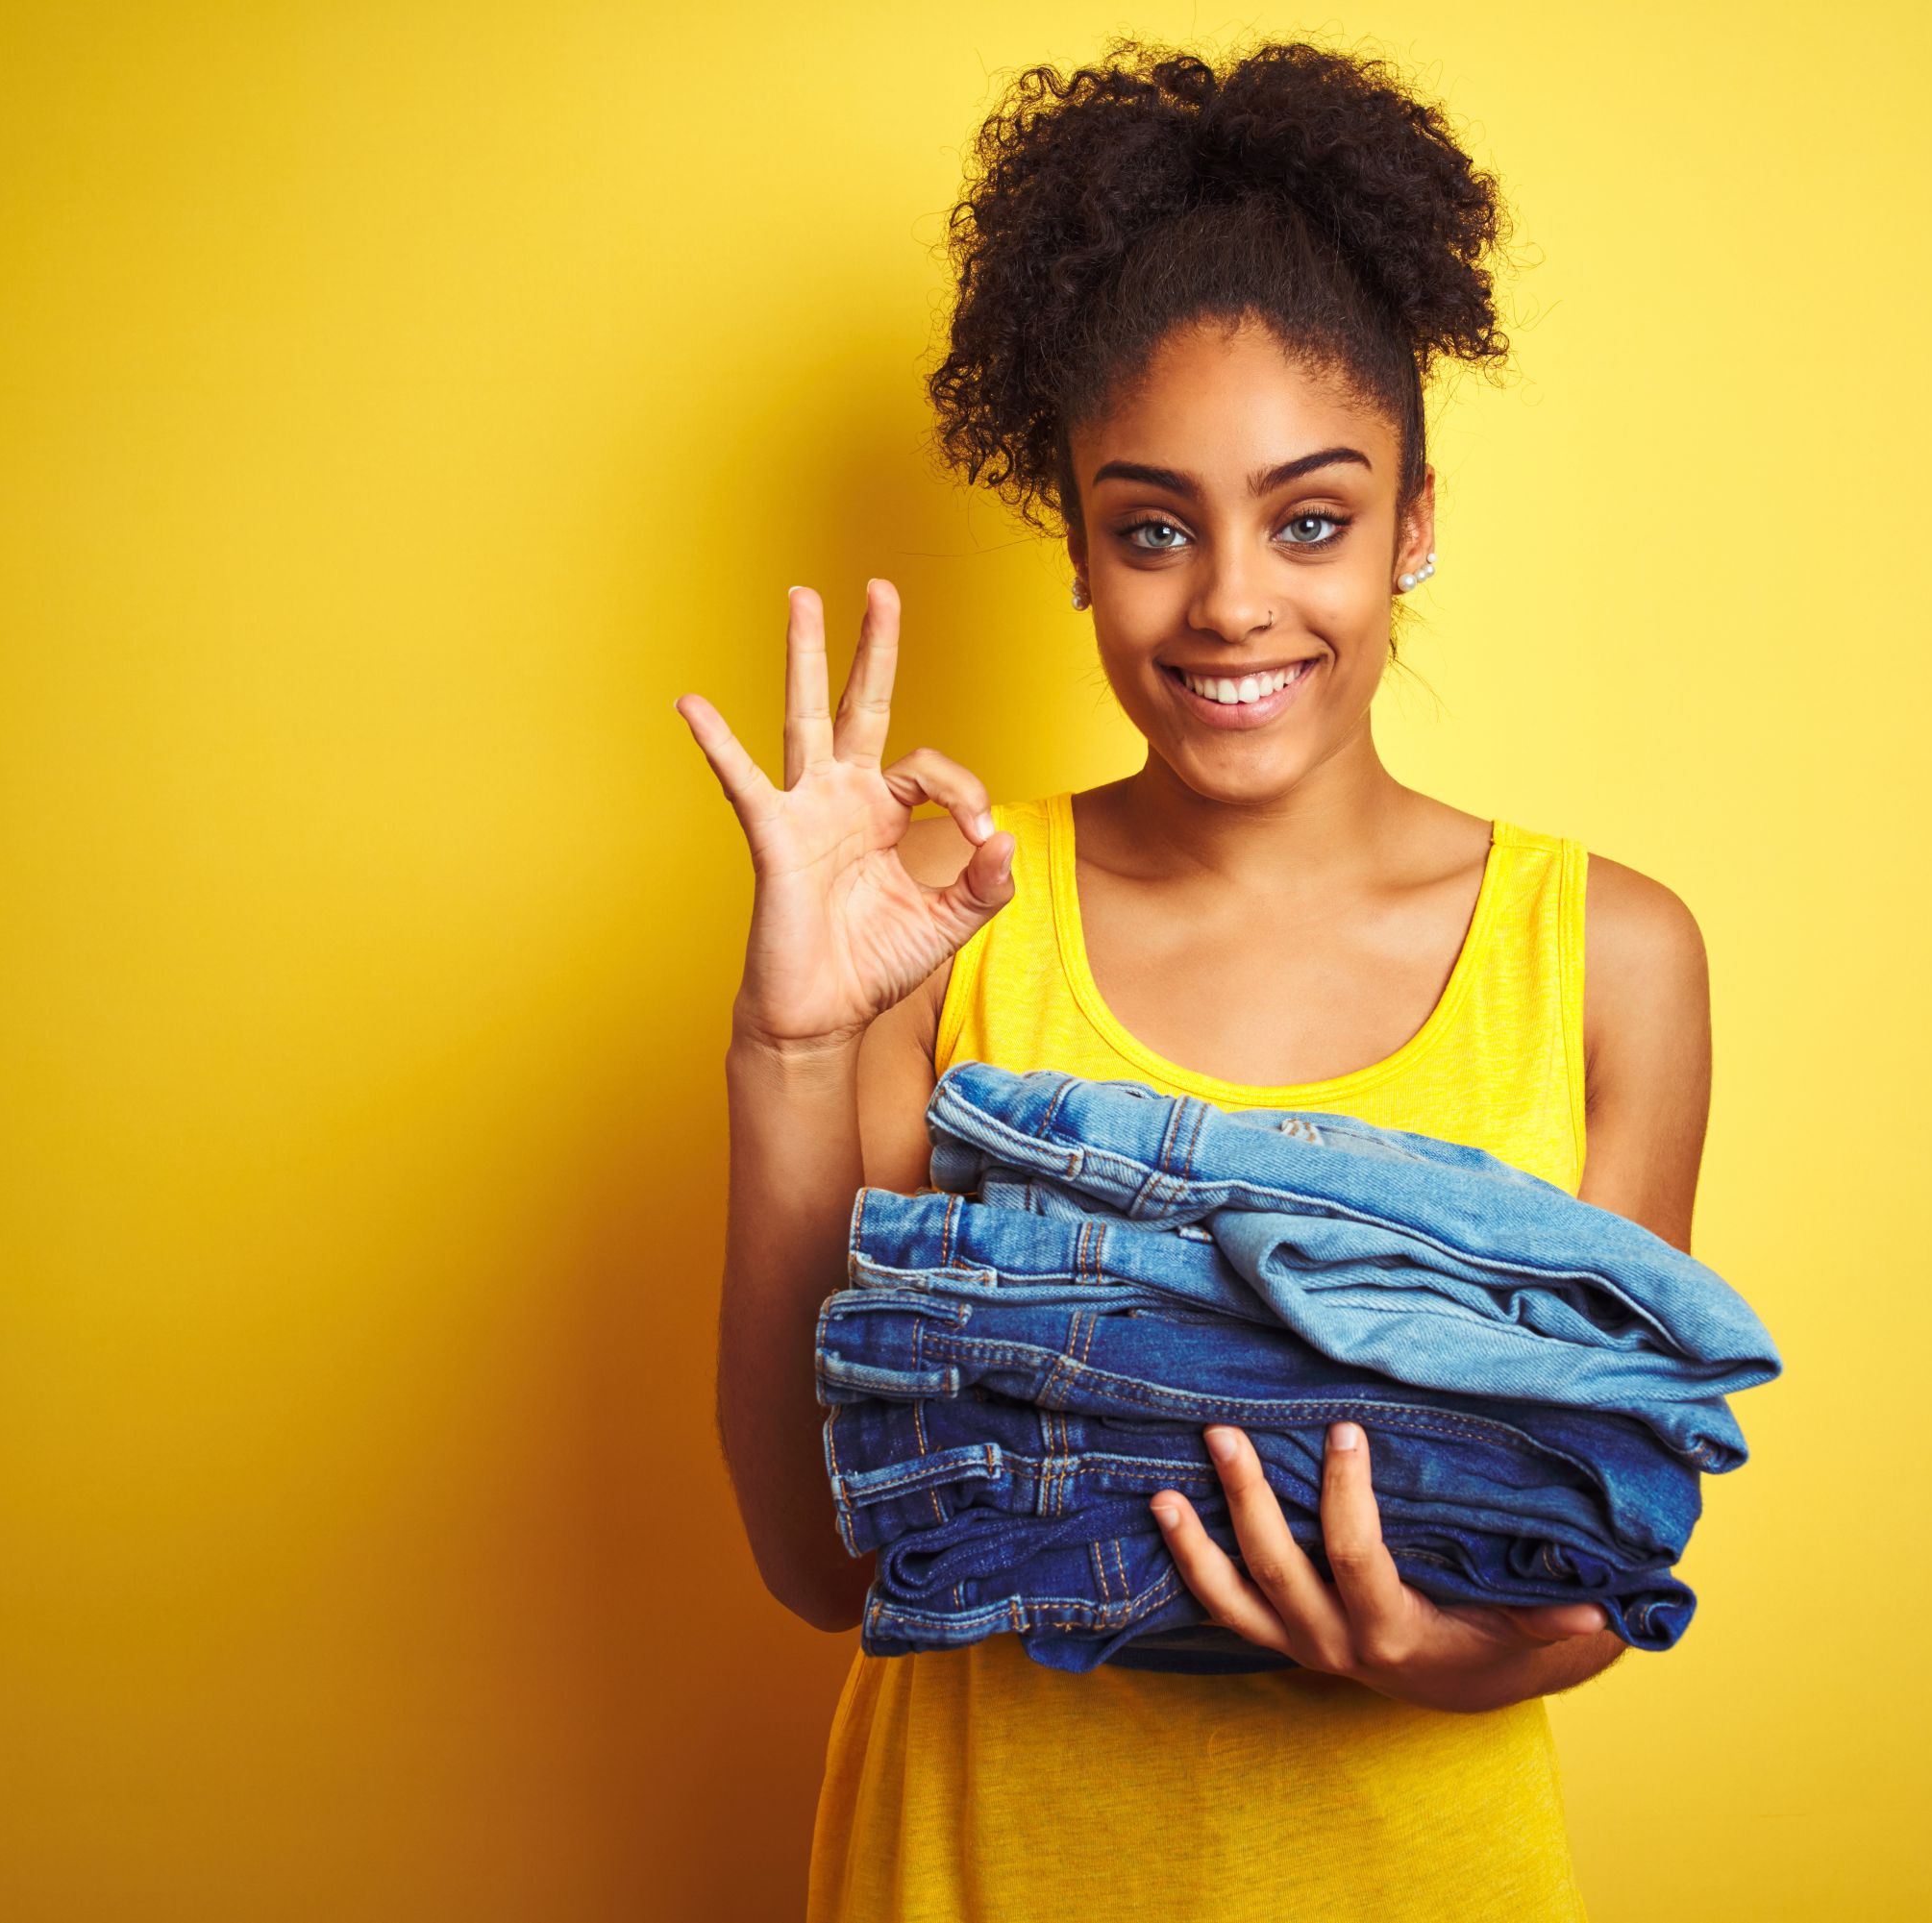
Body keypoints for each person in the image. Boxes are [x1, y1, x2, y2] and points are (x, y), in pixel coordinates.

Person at [678, 39, 1713, 1922]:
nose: (1230, 597)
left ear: (1412, 522)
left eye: (1309, 517)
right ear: (1077, 547)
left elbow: (1603, 1544)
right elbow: (818, 1558)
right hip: (984, 1866)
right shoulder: (943, 923)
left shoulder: (1611, 957)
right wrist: (789, 1046)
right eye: (1154, 525)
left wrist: (1431, 1649)